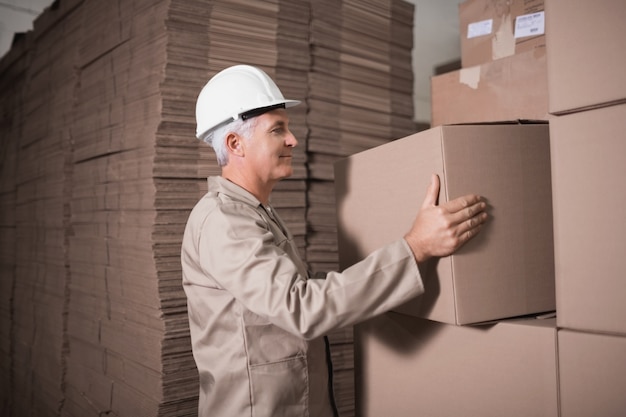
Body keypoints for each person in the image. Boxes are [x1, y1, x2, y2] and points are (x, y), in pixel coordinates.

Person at [181, 64, 488, 417]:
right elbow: (302, 308)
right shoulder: (224, 221)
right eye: (277, 129)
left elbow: (292, 297)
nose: (292, 139)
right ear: (236, 144)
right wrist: (416, 247)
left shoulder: (255, 213)